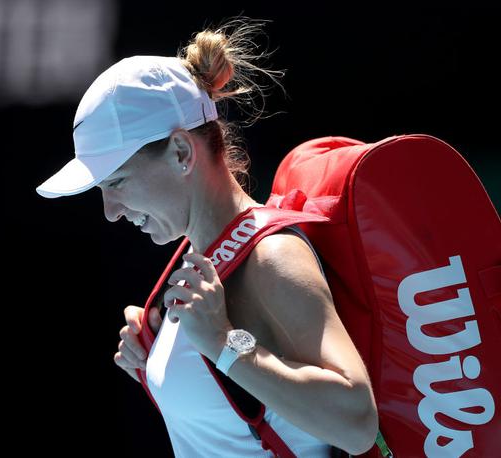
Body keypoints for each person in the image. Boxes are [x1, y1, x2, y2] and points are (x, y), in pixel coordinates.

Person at [36, 16, 379, 458]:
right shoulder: (200, 258)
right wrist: (153, 363)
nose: (110, 212)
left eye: (116, 183)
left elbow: (356, 422)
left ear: (181, 152)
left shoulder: (272, 256)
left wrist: (223, 342)